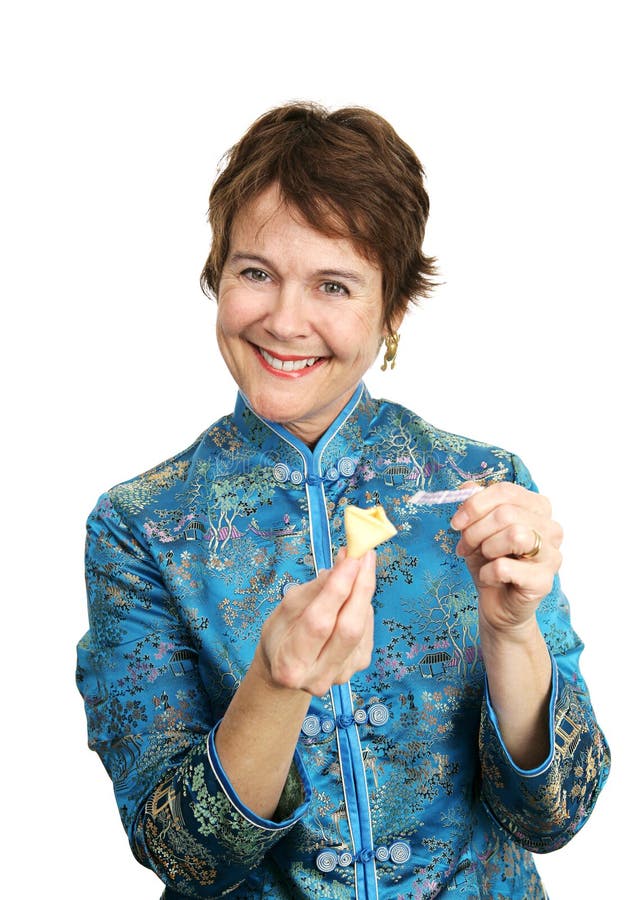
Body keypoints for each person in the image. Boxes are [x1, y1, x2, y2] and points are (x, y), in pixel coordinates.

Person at [76, 102, 610, 899]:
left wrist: (510, 630)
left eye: (334, 284)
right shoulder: (143, 527)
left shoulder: (485, 486)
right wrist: (276, 685)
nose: (285, 321)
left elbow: (556, 814)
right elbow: (183, 856)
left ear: (392, 310)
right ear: (216, 276)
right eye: (255, 272)